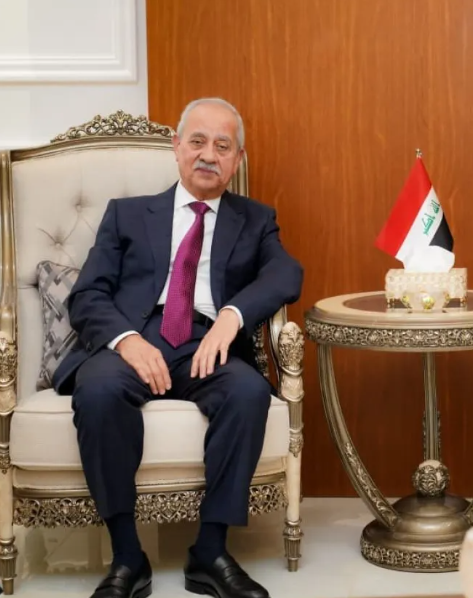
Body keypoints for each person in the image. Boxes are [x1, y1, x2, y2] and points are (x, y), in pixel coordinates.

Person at [53, 97, 303, 598]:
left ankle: (209, 551)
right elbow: (88, 295)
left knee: (249, 393)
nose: (209, 155)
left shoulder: (255, 219)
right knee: (98, 393)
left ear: (237, 159)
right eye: (198, 142)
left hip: (205, 343)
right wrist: (126, 341)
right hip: (133, 339)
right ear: (177, 147)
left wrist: (231, 316)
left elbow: (286, 273)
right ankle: (128, 556)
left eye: (223, 146)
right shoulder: (127, 215)